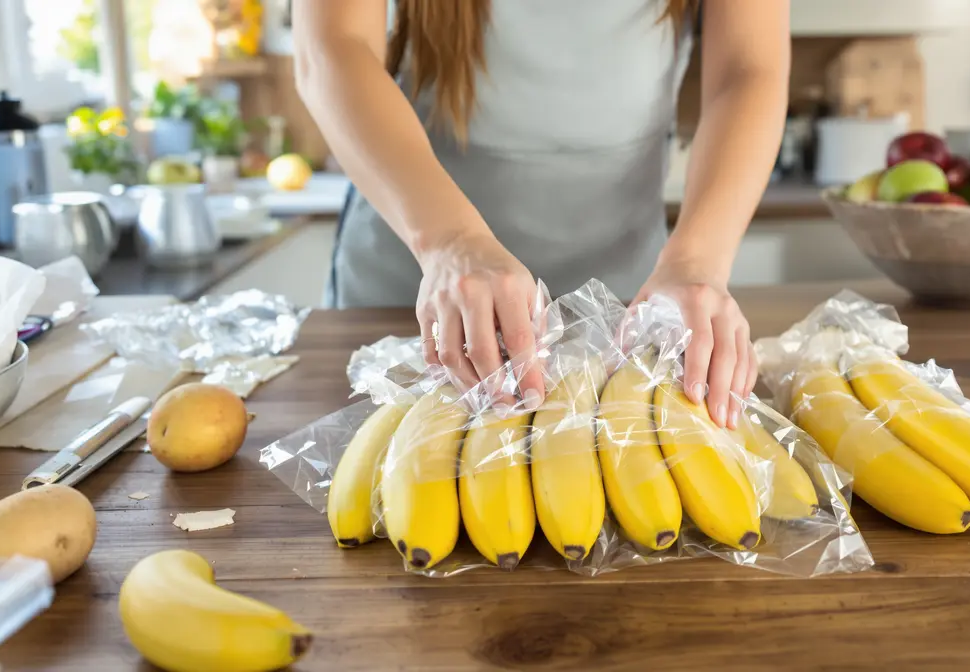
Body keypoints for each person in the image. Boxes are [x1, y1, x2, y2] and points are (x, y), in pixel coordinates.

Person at [294, 0, 789, 428]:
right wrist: (451, 242)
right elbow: (333, 46)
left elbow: (749, 69)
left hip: (624, 297)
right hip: (415, 283)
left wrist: (696, 263)